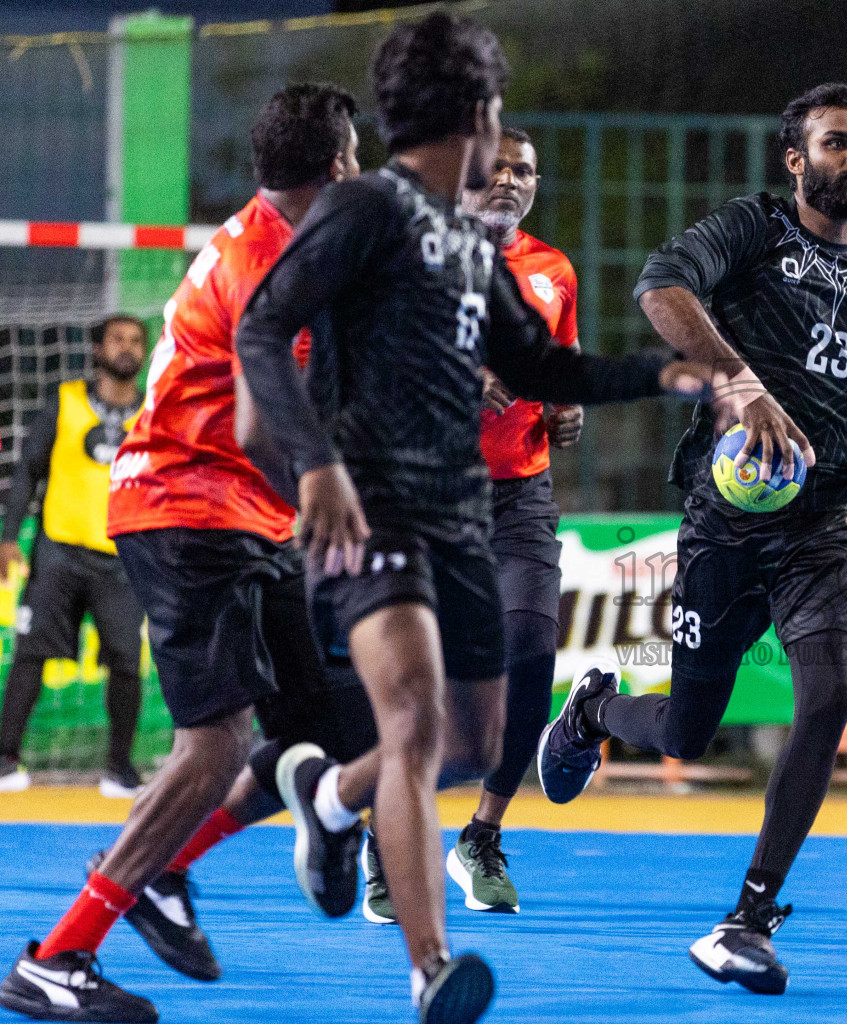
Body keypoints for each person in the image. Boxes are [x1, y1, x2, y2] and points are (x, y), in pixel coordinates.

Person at [232, 14, 705, 1021]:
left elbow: (542, 366)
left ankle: (328, 799)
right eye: (492, 113)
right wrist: (315, 467)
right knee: (411, 721)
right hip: (373, 504)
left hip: (467, 511)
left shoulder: (469, 241)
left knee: (471, 736)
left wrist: (672, 372)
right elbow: (263, 329)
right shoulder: (365, 210)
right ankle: (430, 965)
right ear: (471, 116)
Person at [536, 82, 847, 995]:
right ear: (797, 161)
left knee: (828, 698)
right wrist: (741, 383)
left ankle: (748, 918)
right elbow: (658, 286)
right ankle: (596, 707)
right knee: (685, 731)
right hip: (727, 519)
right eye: (838, 143)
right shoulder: (753, 229)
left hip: (826, 526)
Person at [0, 83, 370, 1024]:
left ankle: (168, 864)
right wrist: (339, 501)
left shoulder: (281, 242)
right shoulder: (266, 259)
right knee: (216, 744)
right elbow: (257, 428)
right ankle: (57, 956)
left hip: (238, 512)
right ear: (336, 165)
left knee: (321, 723)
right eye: (357, 155)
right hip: (184, 505)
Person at [358, 126, 583, 922]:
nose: (510, 181)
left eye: (525, 169)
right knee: (418, 684)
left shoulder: (554, 271)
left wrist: (565, 410)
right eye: (497, 169)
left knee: (530, 655)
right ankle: (385, 838)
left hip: (519, 496)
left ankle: (481, 836)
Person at [0, 316, 146, 797]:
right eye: (117, 339)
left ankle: (119, 768)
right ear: (98, 349)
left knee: (127, 662)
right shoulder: (64, 401)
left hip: (121, 558)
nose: (126, 348)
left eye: (135, 341)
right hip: (58, 552)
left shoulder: (150, 414)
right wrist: (7, 537)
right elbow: (27, 472)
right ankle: (5, 758)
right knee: (31, 653)